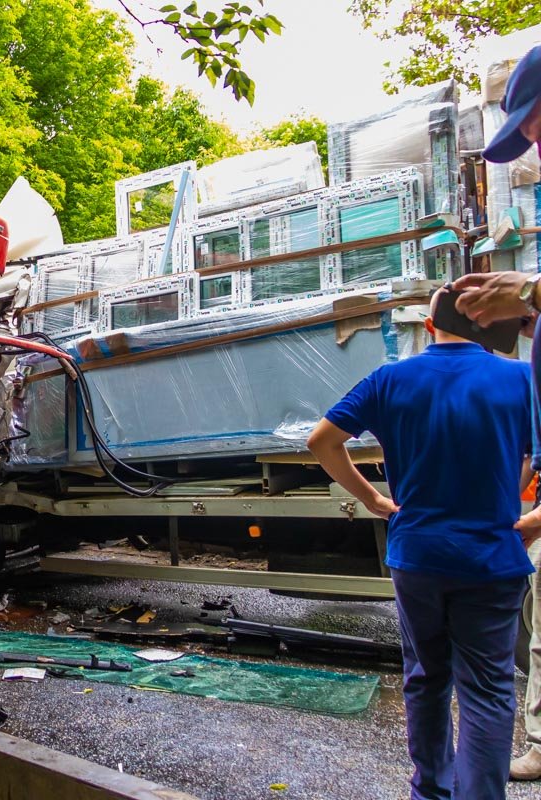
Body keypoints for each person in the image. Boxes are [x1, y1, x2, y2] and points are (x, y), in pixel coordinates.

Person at [307, 287, 533, 800]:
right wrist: (523, 505)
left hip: (418, 555)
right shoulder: (521, 379)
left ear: (428, 329)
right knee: (489, 690)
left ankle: (431, 790)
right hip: (492, 559)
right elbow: (527, 458)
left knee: (427, 678)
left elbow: (322, 440)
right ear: (482, 325)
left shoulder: (391, 379)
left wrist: (371, 499)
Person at [447, 43, 541, 783]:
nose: (533, 146)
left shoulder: (405, 386)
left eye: (537, 124)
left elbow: (326, 438)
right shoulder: (504, 381)